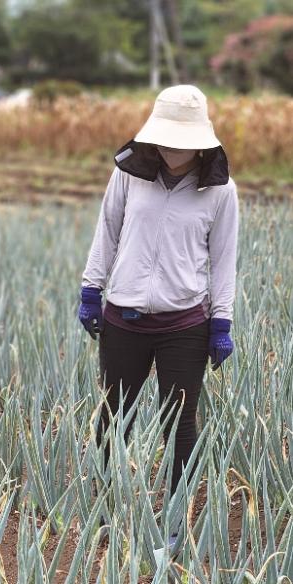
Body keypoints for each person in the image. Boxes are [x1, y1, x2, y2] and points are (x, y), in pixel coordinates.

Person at [78, 85, 238, 513]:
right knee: (115, 415)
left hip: (184, 324)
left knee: (180, 423)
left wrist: (221, 323)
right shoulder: (128, 174)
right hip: (123, 319)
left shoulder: (221, 190)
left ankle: (176, 513)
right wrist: (91, 290)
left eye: (181, 141)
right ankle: (105, 509)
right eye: (165, 137)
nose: (171, 149)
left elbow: (224, 261)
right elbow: (107, 230)